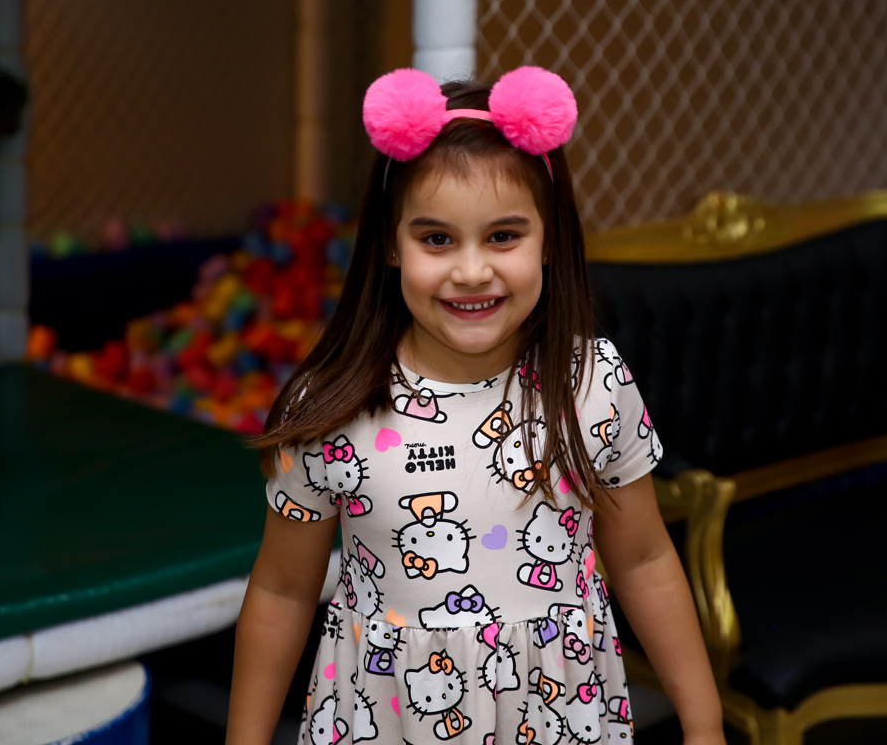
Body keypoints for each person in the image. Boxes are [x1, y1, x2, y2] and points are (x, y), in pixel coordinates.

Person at [227, 66, 725, 745]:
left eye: (503, 236)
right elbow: (282, 591)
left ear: (549, 238)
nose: (470, 271)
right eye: (436, 239)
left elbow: (643, 560)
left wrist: (704, 724)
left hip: (559, 719)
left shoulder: (593, 382)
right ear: (390, 245)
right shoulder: (331, 407)